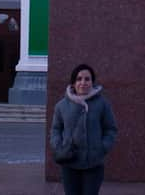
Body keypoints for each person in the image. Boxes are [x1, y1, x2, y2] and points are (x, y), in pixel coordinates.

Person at [50, 64, 118, 195]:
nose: (83, 82)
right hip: (69, 162)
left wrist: (102, 147)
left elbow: (110, 129)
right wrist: (58, 145)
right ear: (73, 83)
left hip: (93, 163)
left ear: (92, 82)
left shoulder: (102, 104)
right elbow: (55, 129)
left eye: (87, 79)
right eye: (79, 79)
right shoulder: (61, 105)